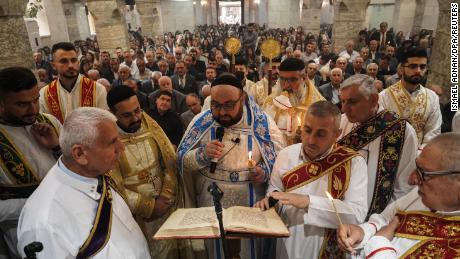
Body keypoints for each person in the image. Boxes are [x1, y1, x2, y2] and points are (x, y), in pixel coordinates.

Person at [17, 107, 150, 258]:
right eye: (113, 142)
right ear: (80, 154)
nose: (122, 148)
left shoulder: (94, 173)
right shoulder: (45, 222)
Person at [177, 73, 286, 259]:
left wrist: (264, 172)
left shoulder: (262, 123)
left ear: (242, 99)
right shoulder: (201, 121)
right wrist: (202, 154)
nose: (221, 112)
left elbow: (280, 160)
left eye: (229, 105)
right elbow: (181, 161)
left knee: (249, 252)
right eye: (215, 105)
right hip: (210, 200)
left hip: (251, 201)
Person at [255, 101, 368, 259]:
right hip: (287, 243)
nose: (311, 140)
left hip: (327, 248)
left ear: (337, 134)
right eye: (307, 130)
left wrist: (308, 201)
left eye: (321, 134)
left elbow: (356, 215)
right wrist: (270, 201)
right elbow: (274, 190)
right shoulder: (286, 155)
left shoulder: (353, 163)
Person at [337, 133, 460, 258]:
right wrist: (363, 232)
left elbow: (383, 235)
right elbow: (386, 219)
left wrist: (378, 242)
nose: (411, 180)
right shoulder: (422, 195)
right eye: (416, 167)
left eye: (424, 173)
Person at [106, 86, 194, 258]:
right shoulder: (108, 137)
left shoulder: (149, 123)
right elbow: (112, 184)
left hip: (165, 205)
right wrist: (149, 207)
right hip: (135, 216)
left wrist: (165, 196)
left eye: (137, 110)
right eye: (126, 115)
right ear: (112, 114)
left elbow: (169, 161)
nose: (135, 118)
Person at [0, 67, 61, 258]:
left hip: (66, 221)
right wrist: (40, 202)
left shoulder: (49, 122)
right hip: (23, 232)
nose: (33, 109)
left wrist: (57, 147)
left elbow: (77, 170)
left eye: (36, 100)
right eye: (22, 104)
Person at [338, 74, 418, 218]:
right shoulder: (341, 122)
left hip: (376, 219)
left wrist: (380, 222)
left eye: (352, 102)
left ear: (373, 100)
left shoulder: (402, 131)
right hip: (339, 211)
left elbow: (404, 187)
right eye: (342, 101)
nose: (344, 109)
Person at [379, 48, 441, 147]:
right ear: (402, 68)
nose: (418, 70)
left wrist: (419, 155)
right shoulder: (384, 96)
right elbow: (379, 130)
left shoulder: (432, 98)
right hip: (390, 154)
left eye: (422, 67)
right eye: (413, 66)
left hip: (419, 156)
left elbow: (433, 132)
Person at [39, 42, 108, 123]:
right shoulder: (45, 94)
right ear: (53, 65)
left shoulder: (97, 89)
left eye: (73, 60)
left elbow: (104, 124)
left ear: (78, 63)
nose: (71, 65)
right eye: (64, 61)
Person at [263, 58, 324, 144]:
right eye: (282, 79)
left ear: (304, 78)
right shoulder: (270, 102)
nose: (286, 85)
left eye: (292, 80)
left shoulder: (318, 106)